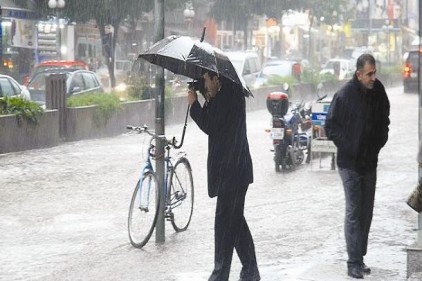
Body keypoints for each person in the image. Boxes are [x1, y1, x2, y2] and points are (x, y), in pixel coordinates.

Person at [187, 71, 260, 281]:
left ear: (216, 78)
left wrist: (194, 105)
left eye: (206, 79)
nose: (205, 84)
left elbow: (210, 125)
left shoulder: (230, 95)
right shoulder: (224, 93)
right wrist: (209, 97)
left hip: (234, 171)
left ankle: (220, 275)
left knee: (225, 224)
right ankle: (250, 270)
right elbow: (215, 121)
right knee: (234, 222)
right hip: (232, 170)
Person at [324, 54, 390, 279]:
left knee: (366, 211)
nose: (373, 78)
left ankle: (359, 257)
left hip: (370, 162)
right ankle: (353, 262)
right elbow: (330, 127)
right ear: (358, 74)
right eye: (369, 74)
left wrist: (378, 144)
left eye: (375, 73)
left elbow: (384, 121)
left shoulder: (378, 92)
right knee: (354, 211)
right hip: (349, 164)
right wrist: (350, 146)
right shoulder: (344, 95)